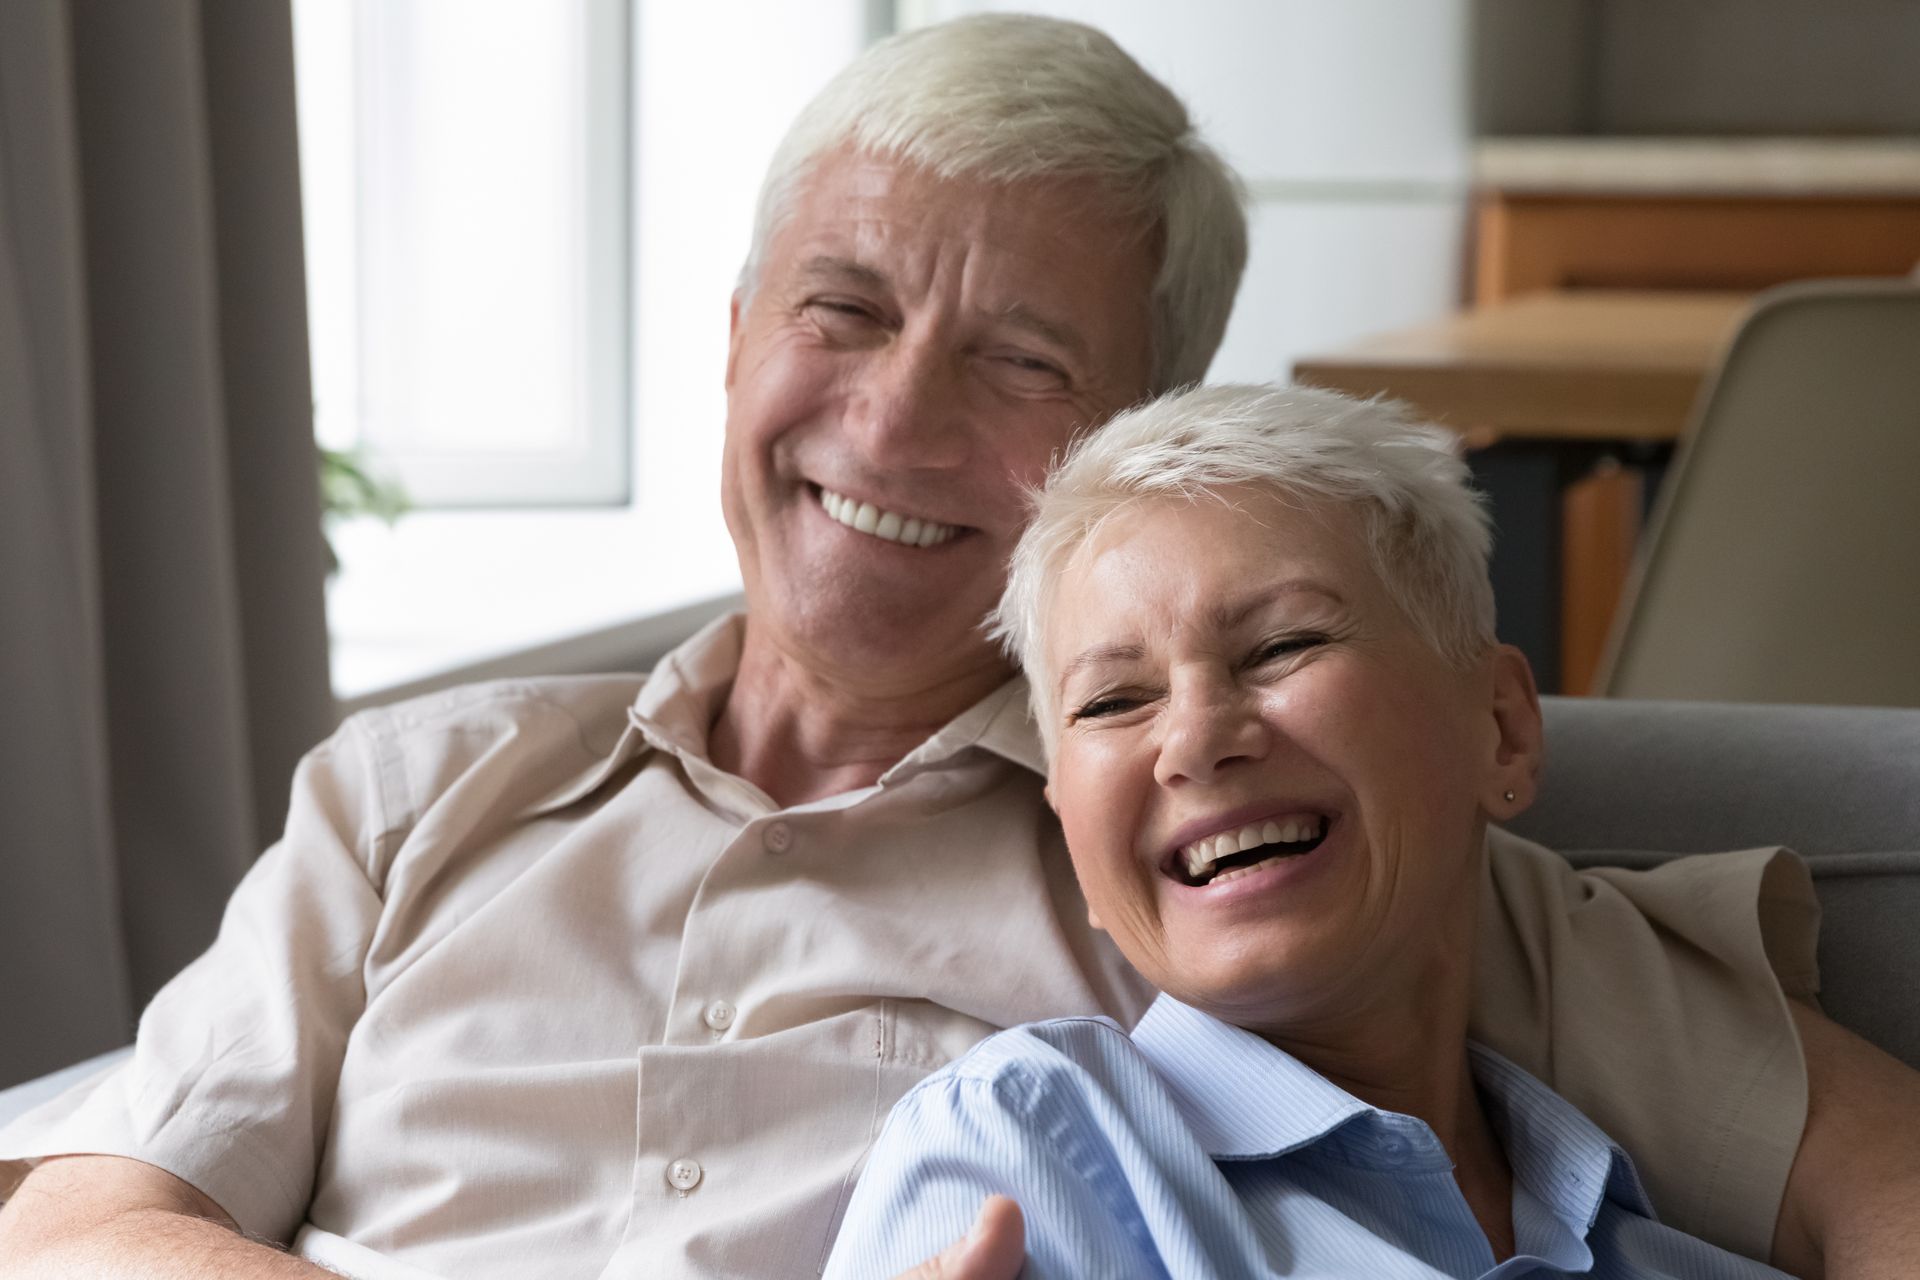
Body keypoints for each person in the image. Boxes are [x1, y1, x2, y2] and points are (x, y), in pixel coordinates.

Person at [0, 15, 1910, 1280]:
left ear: (1137, 438)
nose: (896, 422)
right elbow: (91, 1215)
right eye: (842, 310)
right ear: (736, 341)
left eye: (1020, 363)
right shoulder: (418, 794)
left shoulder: (1219, 837)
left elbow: (1863, 1172)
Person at [824, 384, 1920, 1280]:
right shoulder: (1027, 1138)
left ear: (1500, 729)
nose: (1195, 741)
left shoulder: (1650, 1230)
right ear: (1070, 825)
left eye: (1283, 645)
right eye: (1113, 701)